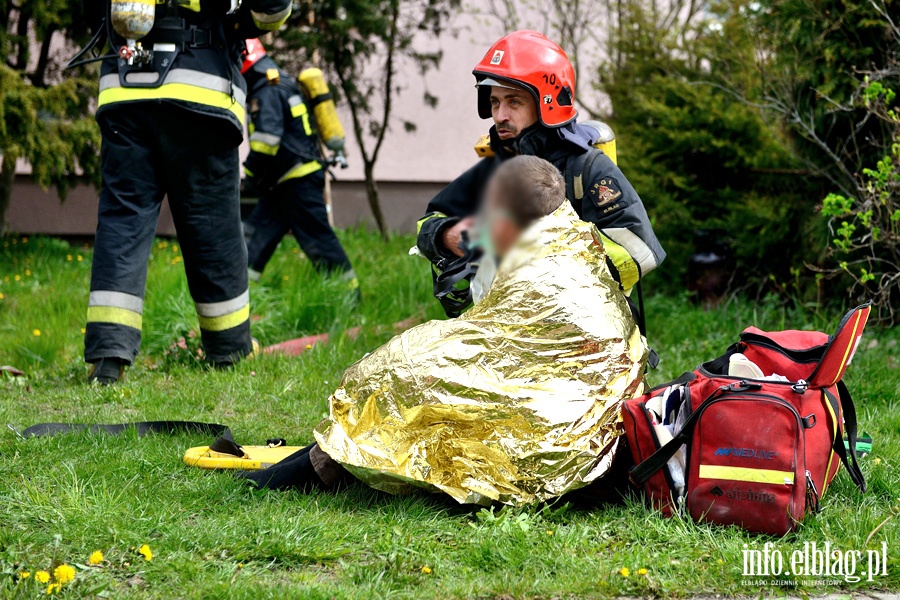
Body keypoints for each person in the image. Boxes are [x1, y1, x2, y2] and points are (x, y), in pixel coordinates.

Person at [239, 156, 647, 505]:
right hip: (601, 421)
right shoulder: (576, 237)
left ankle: (323, 467)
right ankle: (323, 463)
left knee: (396, 372)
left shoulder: (514, 249)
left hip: (562, 422)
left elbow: (484, 331)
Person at [84, 2, 292, 384]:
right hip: (201, 91)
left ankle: (107, 359)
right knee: (213, 227)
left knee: (122, 223)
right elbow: (270, 12)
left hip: (124, 93)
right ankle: (229, 350)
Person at [416, 30, 666, 317]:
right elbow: (427, 222)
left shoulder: (586, 168)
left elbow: (639, 252)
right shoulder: (496, 166)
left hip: (588, 329)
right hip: (507, 327)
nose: (500, 115)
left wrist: (542, 254)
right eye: (495, 102)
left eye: (514, 102)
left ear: (546, 103)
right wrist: (448, 235)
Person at [239, 40, 357, 289]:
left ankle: (348, 299)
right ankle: (242, 294)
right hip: (283, 181)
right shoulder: (277, 82)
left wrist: (250, 173)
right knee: (255, 237)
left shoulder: (267, 89)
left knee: (318, 241)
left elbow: (267, 141)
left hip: (297, 180)